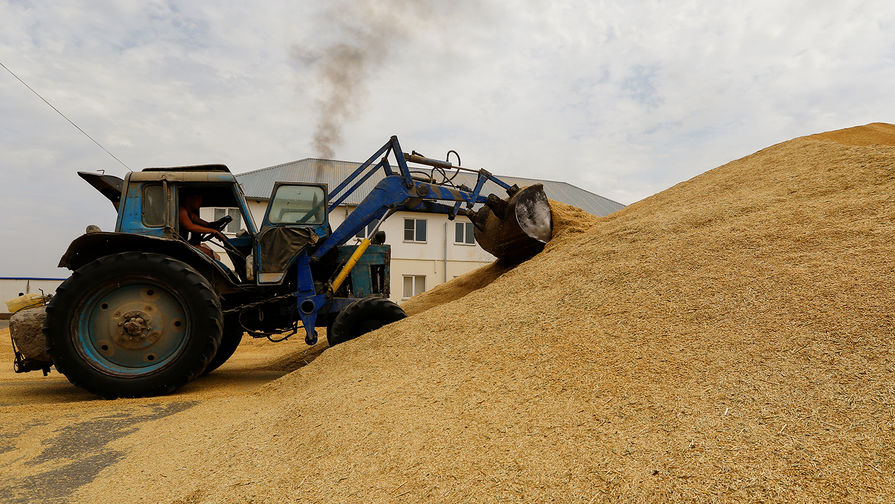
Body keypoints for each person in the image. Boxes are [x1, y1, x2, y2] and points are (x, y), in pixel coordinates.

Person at [178, 191, 228, 258]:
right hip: (179, 245)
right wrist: (213, 231)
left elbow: (206, 224)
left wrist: (215, 226)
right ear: (189, 199)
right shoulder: (181, 210)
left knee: (210, 253)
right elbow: (190, 227)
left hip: (185, 243)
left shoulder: (190, 214)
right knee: (207, 253)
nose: (200, 202)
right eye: (198, 199)